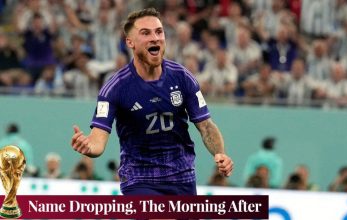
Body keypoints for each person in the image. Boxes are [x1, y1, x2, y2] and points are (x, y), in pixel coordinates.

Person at [70, 8, 233, 195]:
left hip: (182, 177)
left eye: (159, 31)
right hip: (139, 179)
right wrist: (88, 146)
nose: (155, 37)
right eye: (145, 33)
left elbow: (206, 126)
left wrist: (220, 153)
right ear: (130, 42)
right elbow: (97, 140)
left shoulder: (182, 77)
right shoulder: (114, 88)